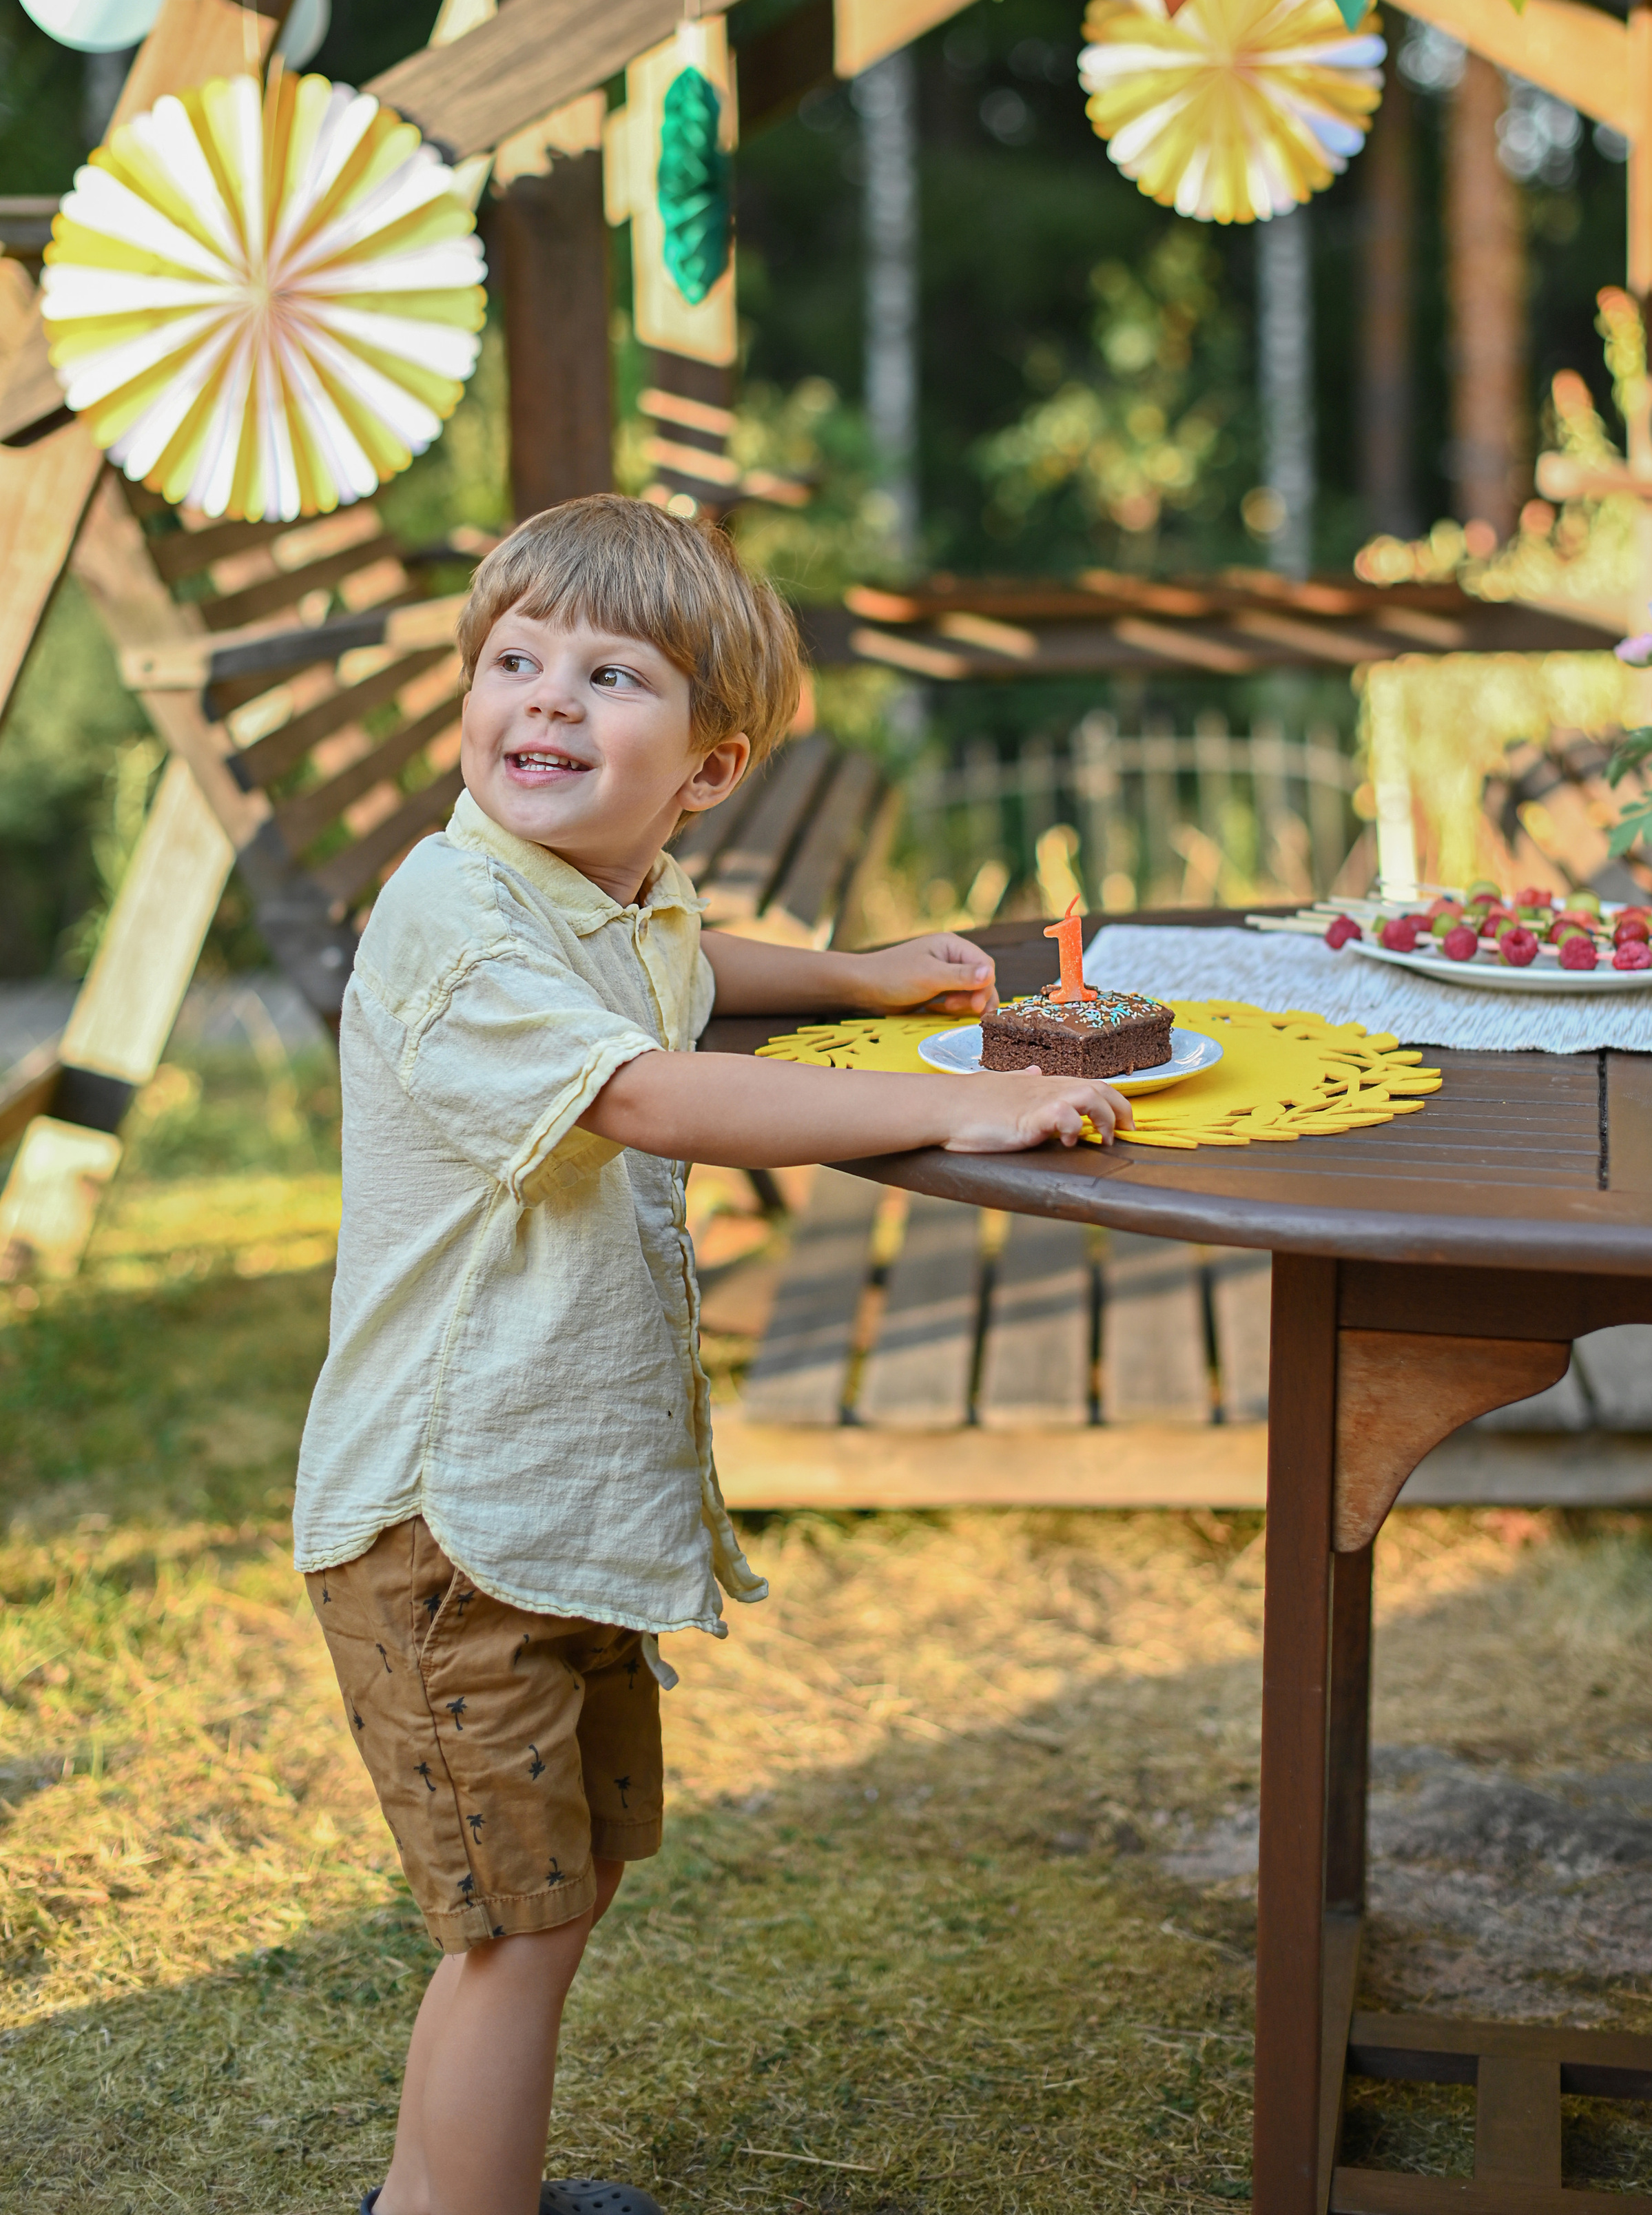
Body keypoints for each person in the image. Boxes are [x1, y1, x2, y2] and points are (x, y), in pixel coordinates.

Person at [293, 497, 1132, 2215]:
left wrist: (854, 976)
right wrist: (949, 1100)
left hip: (545, 1507)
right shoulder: (451, 914)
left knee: (561, 1891)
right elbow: (640, 1088)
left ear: (703, 769)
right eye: (513, 660)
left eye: (608, 675)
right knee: (510, 1929)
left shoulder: (611, 893)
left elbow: (679, 965)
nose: (542, 699)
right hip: (445, 1524)